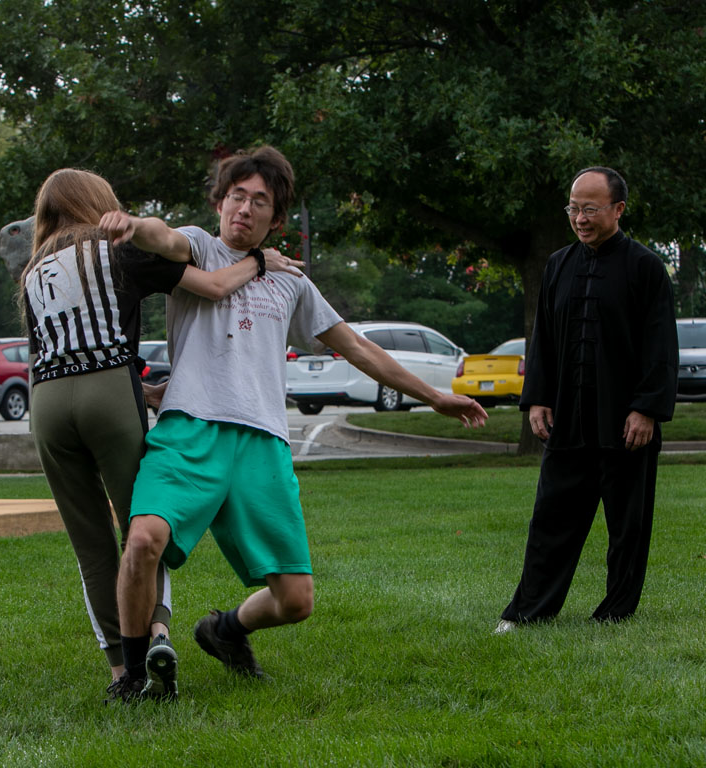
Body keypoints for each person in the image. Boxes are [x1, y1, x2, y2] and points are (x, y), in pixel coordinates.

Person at [99, 145, 489, 701]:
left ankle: (225, 630)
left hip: (263, 443)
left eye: (260, 202)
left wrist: (435, 396)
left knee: (296, 600)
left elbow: (357, 348)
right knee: (143, 541)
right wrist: (132, 223)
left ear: (276, 219)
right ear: (220, 202)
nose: (245, 209)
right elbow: (161, 237)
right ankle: (135, 677)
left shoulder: (292, 284)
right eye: (237, 196)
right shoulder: (203, 248)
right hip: (190, 429)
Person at [21, 168, 303, 697]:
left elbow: (55, 347)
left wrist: (147, 387)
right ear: (97, 202)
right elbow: (216, 286)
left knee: (91, 546)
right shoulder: (115, 249)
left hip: (48, 403)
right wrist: (260, 260)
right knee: (144, 526)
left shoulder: (34, 268)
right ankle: (156, 633)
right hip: (109, 392)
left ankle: (116, 671)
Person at [495, 166, 678, 634]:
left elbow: (660, 346)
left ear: (618, 209)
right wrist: (536, 399)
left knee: (627, 527)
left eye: (590, 209)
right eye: (574, 208)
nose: (580, 218)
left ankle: (616, 611)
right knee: (550, 520)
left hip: (626, 422)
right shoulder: (556, 265)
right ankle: (528, 612)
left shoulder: (646, 268)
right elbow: (545, 342)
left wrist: (647, 409)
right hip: (568, 422)